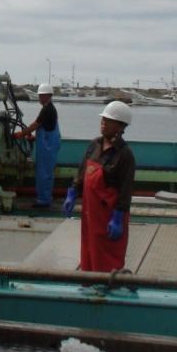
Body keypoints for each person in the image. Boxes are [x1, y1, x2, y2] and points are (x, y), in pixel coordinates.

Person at [63, 100, 136, 272]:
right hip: (90, 213)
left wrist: (118, 218)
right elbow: (82, 172)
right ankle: (88, 284)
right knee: (88, 249)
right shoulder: (94, 145)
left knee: (107, 256)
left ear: (120, 126)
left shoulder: (125, 155)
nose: (103, 122)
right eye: (103, 118)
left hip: (109, 216)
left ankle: (107, 290)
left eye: (108, 120)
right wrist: (72, 193)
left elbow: (125, 190)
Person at [15, 82, 60, 207]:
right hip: (48, 143)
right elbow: (46, 126)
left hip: (47, 146)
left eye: (42, 95)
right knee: (47, 173)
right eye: (39, 95)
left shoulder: (47, 109)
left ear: (48, 96)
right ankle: (45, 198)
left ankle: (43, 201)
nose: (40, 98)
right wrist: (35, 136)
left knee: (44, 173)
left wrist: (21, 134)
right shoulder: (50, 108)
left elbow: (35, 125)